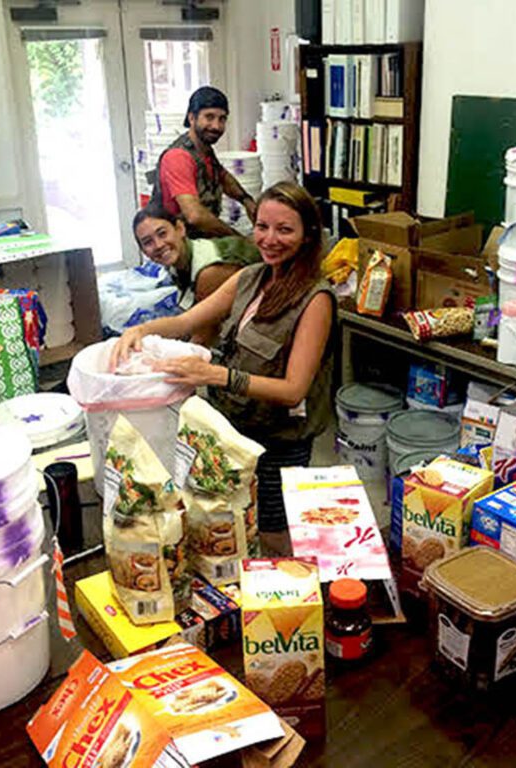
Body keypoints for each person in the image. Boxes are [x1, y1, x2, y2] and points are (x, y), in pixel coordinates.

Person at [110, 182, 336, 555]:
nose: (269, 239)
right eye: (262, 226)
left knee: (273, 527)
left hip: (280, 437)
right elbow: (188, 322)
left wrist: (214, 374)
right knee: (236, 514)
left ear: (308, 236)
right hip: (234, 425)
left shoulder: (316, 299)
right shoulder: (251, 278)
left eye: (285, 229)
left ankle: (290, 600)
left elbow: (293, 389)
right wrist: (140, 330)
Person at [148, 86, 256, 239]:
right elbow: (195, 216)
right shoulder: (178, 157)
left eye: (222, 119)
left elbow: (222, 176)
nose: (216, 126)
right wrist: (237, 239)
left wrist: (246, 200)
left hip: (201, 238)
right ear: (192, 118)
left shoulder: (204, 148)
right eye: (209, 117)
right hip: (177, 245)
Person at [132, 206, 260, 309]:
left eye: (162, 234)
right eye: (148, 242)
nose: (158, 245)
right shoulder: (176, 264)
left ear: (180, 229)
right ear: (143, 251)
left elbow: (204, 335)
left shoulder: (208, 272)